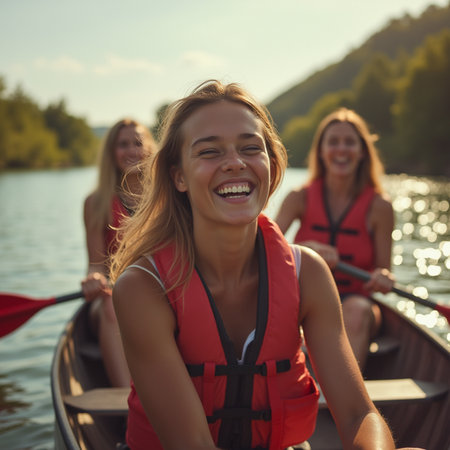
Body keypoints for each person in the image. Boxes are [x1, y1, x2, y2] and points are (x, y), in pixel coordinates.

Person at [110, 81, 397, 449]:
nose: (234, 163)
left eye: (250, 148)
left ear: (271, 165)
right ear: (178, 176)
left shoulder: (306, 272)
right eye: (210, 152)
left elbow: (361, 415)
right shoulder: (142, 288)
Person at [275, 107, 395, 369]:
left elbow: (384, 268)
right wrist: (307, 249)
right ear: (321, 151)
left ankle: (340, 405)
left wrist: (383, 276)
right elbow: (262, 248)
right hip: (304, 299)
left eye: (350, 142)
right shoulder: (299, 197)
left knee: (356, 312)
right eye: (333, 142)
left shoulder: (380, 207)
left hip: (356, 304)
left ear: (362, 152)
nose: (342, 149)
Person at [81, 118, 156, 387]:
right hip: (111, 299)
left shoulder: (166, 198)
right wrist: (94, 278)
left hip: (157, 295)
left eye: (138, 142)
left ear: (150, 148)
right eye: (123, 144)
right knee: (113, 303)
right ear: (112, 153)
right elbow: (96, 264)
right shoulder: (96, 202)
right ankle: (127, 404)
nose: (132, 150)